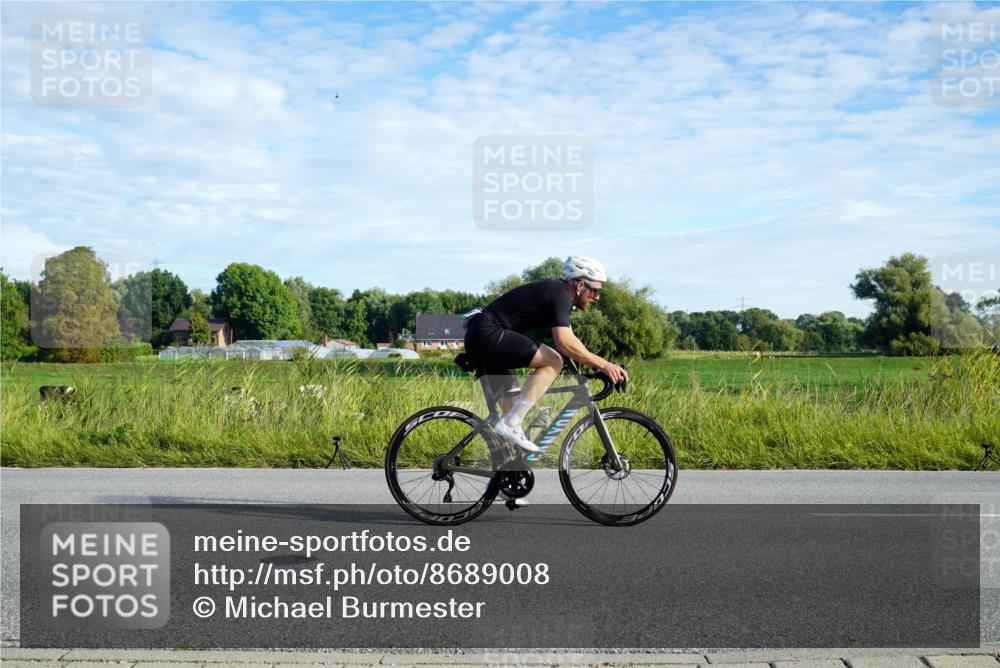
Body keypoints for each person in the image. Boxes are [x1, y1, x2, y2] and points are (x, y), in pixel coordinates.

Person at [463, 256, 629, 453]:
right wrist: (605, 365)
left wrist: (592, 365)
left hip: (482, 336)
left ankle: (506, 476)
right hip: (488, 334)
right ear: (580, 285)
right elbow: (564, 343)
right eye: (596, 290)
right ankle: (511, 425)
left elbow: (572, 341)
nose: (597, 297)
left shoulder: (557, 295)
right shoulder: (559, 293)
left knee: (512, 412)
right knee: (553, 361)